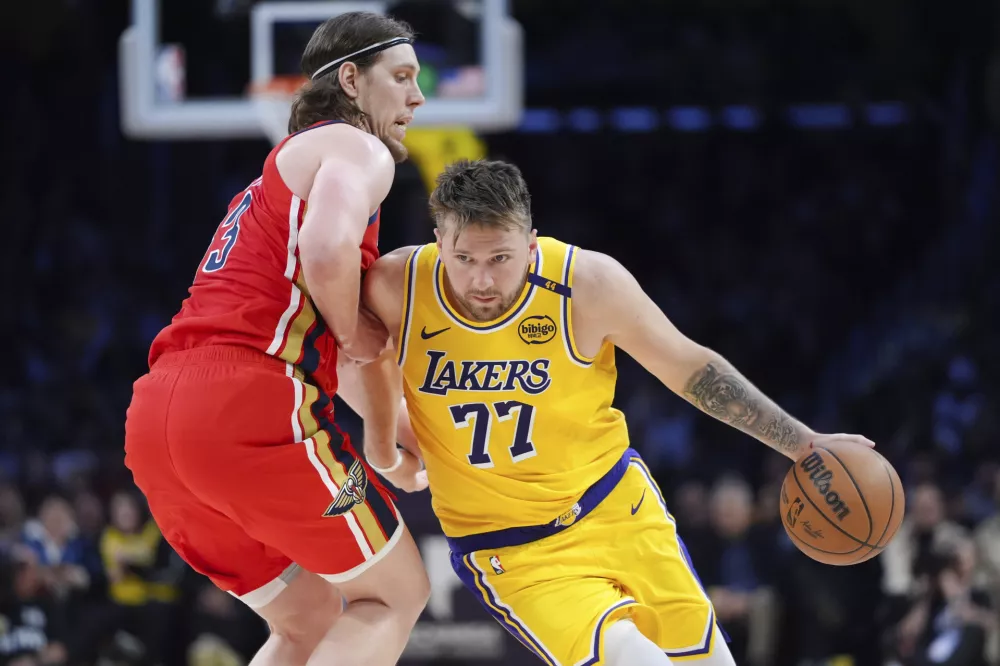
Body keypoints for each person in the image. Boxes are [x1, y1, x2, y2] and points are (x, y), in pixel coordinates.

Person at [357, 159, 877, 666]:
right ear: (438, 241)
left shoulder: (587, 284)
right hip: (513, 550)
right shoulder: (396, 286)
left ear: (531, 243)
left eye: (500, 259)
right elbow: (353, 363)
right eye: (464, 258)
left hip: (617, 509)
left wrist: (804, 443)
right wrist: (382, 444)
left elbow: (689, 367)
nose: (482, 281)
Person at [124, 12, 429, 666]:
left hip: (158, 422)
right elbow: (326, 255)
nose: (417, 97)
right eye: (401, 77)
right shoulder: (355, 148)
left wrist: (392, 425)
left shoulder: (266, 187)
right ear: (350, 79)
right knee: (395, 594)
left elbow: (325, 337)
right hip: (249, 405)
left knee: (309, 618)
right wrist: (359, 331)